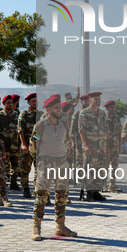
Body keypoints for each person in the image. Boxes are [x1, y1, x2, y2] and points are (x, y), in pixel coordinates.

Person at [30, 94, 77, 241]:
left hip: (62, 163)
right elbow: (33, 146)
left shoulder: (64, 123)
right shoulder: (40, 126)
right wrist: (39, 162)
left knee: (62, 195)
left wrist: (67, 149)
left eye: (60, 107)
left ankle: (60, 226)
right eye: (56, 107)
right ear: (48, 109)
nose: (59, 110)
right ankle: (36, 227)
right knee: (42, 195)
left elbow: (67, 139)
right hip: (46, 163)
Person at [78, 92, 109, 202]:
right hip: (90, 147)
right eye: (95, 99)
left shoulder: (102, 113)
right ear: (90, 100)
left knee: (100, 169)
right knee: (90, 170)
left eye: (99, 99)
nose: (98, 101)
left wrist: (107, 146)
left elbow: (106, 130)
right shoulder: (84, 113)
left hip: (101, 147)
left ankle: (96, 192)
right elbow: (81, 130)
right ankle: (90, 192)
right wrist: (85, 145)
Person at [17, 93, 43, 198]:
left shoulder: (42, 114)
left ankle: (37, 188)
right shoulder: (24, 114)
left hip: (40, 147)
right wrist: (23, 144)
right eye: (32, 101)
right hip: (27, 146)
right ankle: (26, 188)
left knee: (39, 169)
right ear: (28, 103)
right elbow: (20, 130)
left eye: (36, 101)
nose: (35, 103)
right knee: (25, 168)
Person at [0, 95, 21, 191]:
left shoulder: (16, 115)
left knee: (15, 165)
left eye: (11, 102)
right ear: (4, 104)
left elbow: (20, 129)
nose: (10, 104)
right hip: (4, 146)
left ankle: (14, 183)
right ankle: (3, 184)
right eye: (8, 103)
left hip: (15, 145)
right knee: (4, 165)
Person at [104, 100, 123, 192]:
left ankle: (112, 185)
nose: (113, 109)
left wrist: (120, 145)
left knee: (114, 167)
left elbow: (120, 132)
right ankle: (103, 185)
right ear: (107, 108)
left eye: (114, 107)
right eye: (111, 108)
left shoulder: (117, 118)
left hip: (115, 146)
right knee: (105, 167)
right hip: (106, 147)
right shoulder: (103, 118)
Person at [69, 95, 90, 170]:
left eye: (88, 101)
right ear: (81, 102)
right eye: (86, 101)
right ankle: (79, 180)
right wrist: (73, 142)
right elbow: (72, 131)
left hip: (89, 142)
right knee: (79, 162)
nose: (87, 103)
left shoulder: (90, 114)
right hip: (79, 142)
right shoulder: (76, 114)